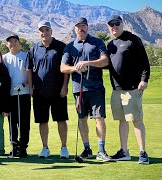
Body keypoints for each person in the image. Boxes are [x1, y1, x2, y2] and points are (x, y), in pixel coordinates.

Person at [61, 17, 111, 161]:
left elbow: (105, 60)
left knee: (99, 118)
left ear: (87, 27)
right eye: (78, 26)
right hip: (78, 89)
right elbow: (63, 68)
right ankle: (87, 149)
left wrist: (88, 63)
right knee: (82, 119)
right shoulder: (69, 47)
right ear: (75, 28)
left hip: (95, 87)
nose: (80, 28)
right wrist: (76, 67)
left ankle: (101, 150)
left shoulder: (97, 42)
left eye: (83, 26)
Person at [106, 15, 150, 164]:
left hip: (132, 89)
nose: (114, 27)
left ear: (122, 24)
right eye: (111, 25)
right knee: (122, 121)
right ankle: (124, 151)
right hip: (117, 89)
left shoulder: (132, 39)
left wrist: (144, 80)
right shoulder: (110, 44)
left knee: (136, 120)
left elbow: (144, 61)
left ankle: (142, 152)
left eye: (117, 24)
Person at [27, 20, 70, 158]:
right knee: (42, 121)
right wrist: (31, 87)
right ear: (38, 32)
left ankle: (64, 148)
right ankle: (45, 148)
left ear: (51, 31)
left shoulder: (61, 47)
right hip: (39, 92)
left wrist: (65, 86)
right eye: (42, 30)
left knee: (61, 120)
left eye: (47, 30)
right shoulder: (34, 48)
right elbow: (29, 69)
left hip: (58, 91)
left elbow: (66, 69)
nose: (44, 33)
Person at [3, 34, 31, 157]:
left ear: (19, 43)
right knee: (12, 123)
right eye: (10, 42)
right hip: (10, 96)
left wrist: (25, 84)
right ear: (6, 45)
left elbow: (31, 73)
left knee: (24, 122)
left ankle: (23, 148)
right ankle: (14, 147)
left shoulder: (26, 56)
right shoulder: (4, 58)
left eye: (15, 41)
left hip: (23, 93)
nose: (13, 44)